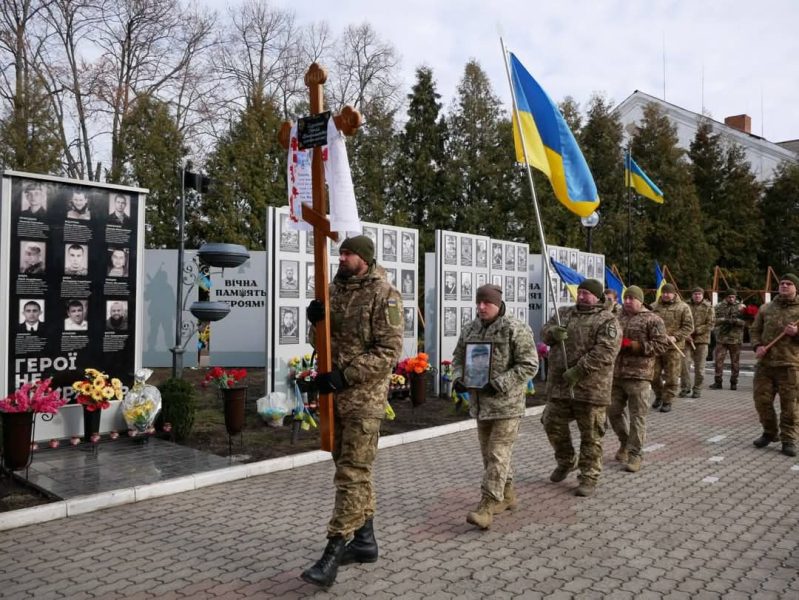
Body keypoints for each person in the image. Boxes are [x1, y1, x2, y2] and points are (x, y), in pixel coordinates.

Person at [301, 235, 403, 589]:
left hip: (364, 399)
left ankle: (333, 551)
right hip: (335, 398)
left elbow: (388, 351)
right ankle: (364, 541)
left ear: (365, 258)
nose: (341, 258)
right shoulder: (333, 290)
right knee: (353, 473)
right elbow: (320, 342)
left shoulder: (384, 294)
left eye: (348, 253)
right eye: (341, 252)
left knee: (351, 474)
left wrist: (345, 376)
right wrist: (315, 322)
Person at [451, 284, 537, 529]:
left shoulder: (514, 328)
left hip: (507, 405)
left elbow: (530, 364)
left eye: (486, 303)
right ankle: (507, 495)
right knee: (490, 455)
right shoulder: (470, 328)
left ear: (498, 304)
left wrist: (499, 384)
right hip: (481, 405)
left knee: (498, 453)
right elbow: (458, 357)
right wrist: (458, 378)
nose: (481, 307)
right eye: (478, 302)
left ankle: (487, 506)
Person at [541, 279, 621, 497]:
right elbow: (544, 332)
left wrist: (579, 370)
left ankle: (588, 476)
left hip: (591, 388)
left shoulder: (607, 320)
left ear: (597, 296)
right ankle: (566, 460)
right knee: (551, 422)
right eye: (580, 292)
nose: (582, 296)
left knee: (591, 435)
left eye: (587, 293)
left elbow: (605, 352)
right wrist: (552, 333)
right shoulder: (564, 313)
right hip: (560, 386)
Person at [608, 286, 670, 472]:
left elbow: (661, 345)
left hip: (639, 376)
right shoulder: (617, 317)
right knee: (612, 411)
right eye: (625, 298)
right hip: (616, 374)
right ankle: (625, 442)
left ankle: (635, 455)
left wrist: (634, 345)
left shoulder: (653, 319)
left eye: (631, 298)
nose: (627, 302)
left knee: (637, 417)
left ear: (640, 301)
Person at [749, 274, 799, 457]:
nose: (784, 286)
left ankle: (789, 439)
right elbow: (755, 330)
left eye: (789, 284)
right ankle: (770, 432)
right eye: (782, 283)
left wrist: (796, 332)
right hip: (766, 364)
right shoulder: (766, 308)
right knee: (761, 402)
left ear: (796, 288)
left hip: (790, 364)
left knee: (790, 406)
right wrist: (757, 346)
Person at [650, 284, 693, 413]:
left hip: (673, 348)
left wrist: (676, 337)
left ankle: (667, 400)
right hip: (656, 346)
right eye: (663, 292)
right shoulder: (653, 307)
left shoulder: (683, 307)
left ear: (674, 294)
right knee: (652, 375)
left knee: (672, 376)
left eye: (668, 293)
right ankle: (659, 395)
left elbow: (688, 326)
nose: (665, 295)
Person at [680, 287, 714, 398]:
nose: (697, 296)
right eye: (695, 294)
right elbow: (680, 321)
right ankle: (685, 388)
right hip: (686, 340)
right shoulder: (685, 306)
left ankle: (697, 388)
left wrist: (696, 331)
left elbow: (711, 324)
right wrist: (685, 334)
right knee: (684, 365)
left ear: (703, 295)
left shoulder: (708, 307)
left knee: (700, 368)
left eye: (699, 294)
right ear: (692, 295)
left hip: (701, 341)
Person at [710, 289, 745, 390]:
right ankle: (718, 382)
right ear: (726, 297)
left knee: (735, 362)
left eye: (733, 297)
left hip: (735, 339)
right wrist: (723, 320)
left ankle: (734, 382)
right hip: (722, 338)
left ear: (735, 297)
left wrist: (736, 321)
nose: (731, 299)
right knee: (718, 361)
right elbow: (712, 320)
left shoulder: (741, 307)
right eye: (729, 297)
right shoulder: (718, 307)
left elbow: (746, 322)